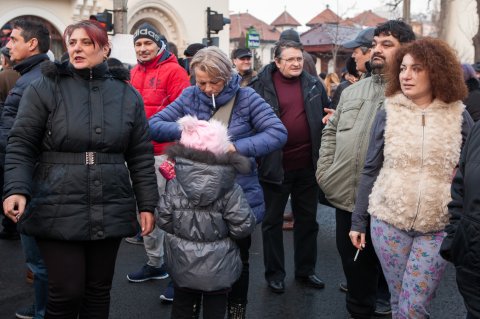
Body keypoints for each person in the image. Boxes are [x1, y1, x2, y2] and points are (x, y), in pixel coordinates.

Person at [2, 20, 159, 318]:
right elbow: (21, 144)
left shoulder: (127, 95)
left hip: (110, 200)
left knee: (98, 292)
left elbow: (139, 155)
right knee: (65, 292)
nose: (77, 48)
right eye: (72, 42)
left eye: (86, 43)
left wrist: (147, 203)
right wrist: (17, 189)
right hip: (55, 200)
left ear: (105, 48)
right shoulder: (44, 86)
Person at [148, 46, 287, 318]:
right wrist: (191, 129)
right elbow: (153, 124)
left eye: (215, 81)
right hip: (192, 198)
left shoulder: (247, 98)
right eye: (202, 82)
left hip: (237, 194)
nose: (208, 88)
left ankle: (236, 311)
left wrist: (236, 147)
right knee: (192, 256)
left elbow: (277, 133)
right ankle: (194, 308)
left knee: (238, 259)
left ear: (228, 75)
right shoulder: (189, 95)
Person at [350, 37, 473, 319]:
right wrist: (358, 220)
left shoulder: (459, 116)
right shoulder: (388, 113)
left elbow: (470, 172)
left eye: (417, 68)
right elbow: (370, 168)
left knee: (415, 306)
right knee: (398, 300)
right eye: (403, 68)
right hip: (388, 221)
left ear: (437, 71)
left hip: (438, 225)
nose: (406, 75)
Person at [317, 20, 416, 319]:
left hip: (390, 208)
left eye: (387, 45)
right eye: (375, 44)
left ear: (408, 51)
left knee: (396, 287)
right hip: (347, 202)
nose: (376, 50)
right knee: (356, 280)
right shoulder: (351, 92)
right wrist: (326, 172)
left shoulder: (414, 94)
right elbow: (331, 133)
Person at [249, 39, 329, 294]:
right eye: (291, 59)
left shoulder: (314, 84)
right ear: (277, 61)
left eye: (299, 59)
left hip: (308, 165)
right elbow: (248, 124)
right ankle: (275, 275)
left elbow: (327, 113)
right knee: (272, 223)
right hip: (274, 166)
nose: (296, 63)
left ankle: (306, 271)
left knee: (308, 221)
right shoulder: (258, 87)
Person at [157, 115, 256, 319]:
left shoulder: (175, 184)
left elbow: (164, 218)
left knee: (183, 306)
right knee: (215, 309)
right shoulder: (229, 187)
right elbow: (242, 226)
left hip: (183, 262)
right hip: (219, 266)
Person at [126, 23, 190, 291]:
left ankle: (180, 274)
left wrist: (175, 155)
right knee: (147, 211)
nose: (142, 49)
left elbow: (186, 116)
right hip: (139, 154)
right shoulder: (133, 72)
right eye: (138, 44)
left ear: (159, 45)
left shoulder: (175, 72)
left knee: (170, 214)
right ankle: (156, 264)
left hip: (165, 154)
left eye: (147, 44)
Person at [0, 18, 51, 319]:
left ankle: (44, 310)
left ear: (32, 44)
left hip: (32, 178)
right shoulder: (30, 76)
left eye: (14, 39)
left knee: (38, 257)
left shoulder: (36, 79)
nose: (8, 45)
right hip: (29, 175)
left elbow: (23, 136)